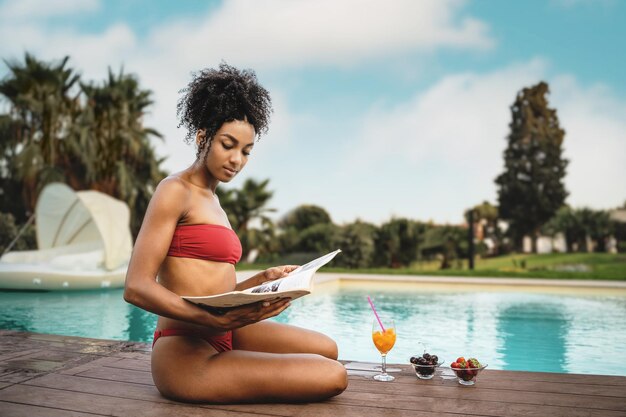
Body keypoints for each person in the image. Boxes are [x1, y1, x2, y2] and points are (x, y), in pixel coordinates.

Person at [123, 63, 348, 403]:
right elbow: (136, 287)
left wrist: (264, 278)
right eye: (228, 144)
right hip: (185, 348)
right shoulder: (174, 190)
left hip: (225, 329)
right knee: (333, 375)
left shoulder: (215, 202)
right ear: (202, 137)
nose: (237, 160)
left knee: (327, 349)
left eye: (246, 151)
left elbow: (215, 290)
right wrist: (212, 318)